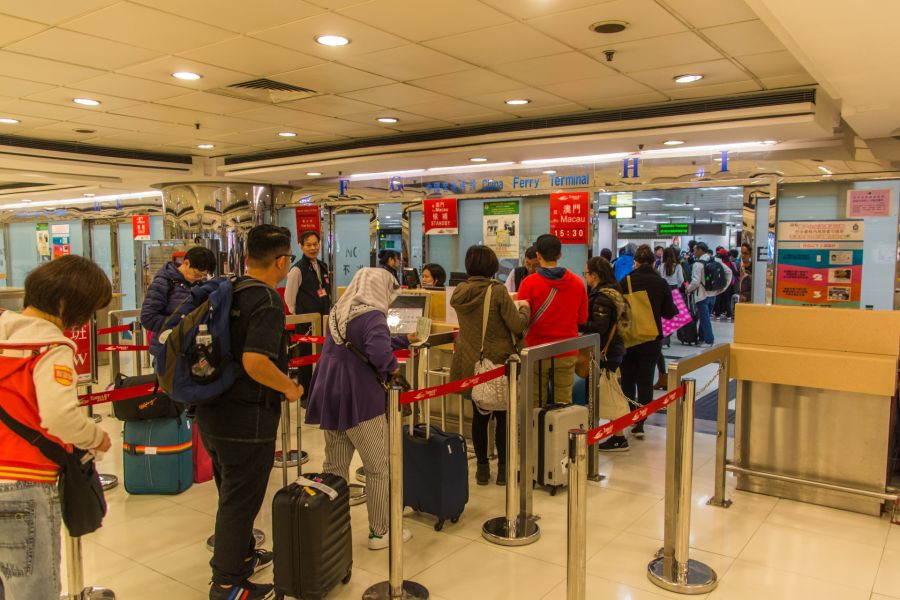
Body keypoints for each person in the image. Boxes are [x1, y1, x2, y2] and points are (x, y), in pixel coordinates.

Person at [196, 225, 302, 600]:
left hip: (211, 412)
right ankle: (226, 584)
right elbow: (255, 361)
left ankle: (241, 558)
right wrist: (289, 388)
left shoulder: (229, 290)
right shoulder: (267, 301)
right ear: (282, 260)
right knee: (240, 504)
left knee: (231, 494)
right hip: (248, 420)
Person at [0, 256, 113, 600]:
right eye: (89, 309)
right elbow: (59, 416)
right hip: (24, 482)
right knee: (32, 589)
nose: (88, 319)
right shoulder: (50, 345)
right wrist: (96, 438)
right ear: (66, 303)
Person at [305, 268, 414, 549]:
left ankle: (335, 529)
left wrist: (402, 340)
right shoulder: (373, 315)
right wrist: (392, 369)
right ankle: (381, 531)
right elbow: (377, 351)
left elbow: (365, 340)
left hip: (331, 393)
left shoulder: (340, 310)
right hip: (360, 397)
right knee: (379, 467)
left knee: (335, 465)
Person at [451, 246, 529, 485]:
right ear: (492, 266)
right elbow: (516, 325)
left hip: (470, 362)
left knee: (479, 416)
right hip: (497, 361)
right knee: (503, 415)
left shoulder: (459, 292)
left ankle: (482, 469)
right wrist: (524, 308)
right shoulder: (497, 291)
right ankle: (504, 470)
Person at [517, 234, 588, 406]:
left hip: (536, 352)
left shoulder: (528, 283)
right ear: (559, 255)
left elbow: (520, 320)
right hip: (566, 351)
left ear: (538, 255)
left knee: (535, 403)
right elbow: (583, 318)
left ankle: (536, 433)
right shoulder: (578, 283)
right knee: (563, 404)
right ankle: (561, 434)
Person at [619, 245, 677, 439]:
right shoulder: (660, 283)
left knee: (627, 379)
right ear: (653, 262)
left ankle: (629, 415)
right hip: (651, 338)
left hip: (629, 337)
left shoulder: (625, 281)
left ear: (635, 262)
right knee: (645, 380)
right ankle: (640, 423)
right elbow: (669, 312)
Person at [580, 256, 629, 451]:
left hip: (606, 352)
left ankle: (618, 437)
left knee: (609, 394)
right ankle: (611, 434)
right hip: (613, 349)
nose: (586, 278)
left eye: (587, 274)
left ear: (595, 275)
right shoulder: (612, 291)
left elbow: (599, 327)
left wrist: (578, 323)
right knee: (607, 392)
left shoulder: (602, 297)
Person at [284, 230, 331, 404]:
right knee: (305, 357)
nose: (313, 248)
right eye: (309, 245)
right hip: (306, 321)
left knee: (322, 356)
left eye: (315, 244)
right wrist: (299, 315)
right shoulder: (297, 269)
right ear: (301, 246)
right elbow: (289, 298)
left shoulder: (322, 265)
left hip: (323, 319)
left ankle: (320, 390)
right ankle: (305, 394)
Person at [140, 245, 216, 340]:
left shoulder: (199, 284)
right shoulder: (163, 282)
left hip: (189, 344)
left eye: (203, 276)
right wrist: (179, 325)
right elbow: (148, 317)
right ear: (186, 263)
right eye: (197, 274)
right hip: (167, 346)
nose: (199, 278)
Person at [686, 242, 732, 347]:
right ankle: (702, 337)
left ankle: (709, 340)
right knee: (704, 317)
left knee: (705, 318)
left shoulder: (697, 264)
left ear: (701, 250)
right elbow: (729, 272)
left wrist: (688, 290)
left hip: (701, 295)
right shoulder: (716, 260)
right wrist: (723, 288)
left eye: (695, 250)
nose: (694, 252)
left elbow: (695, 282)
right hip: (713, 294)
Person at [654, 246, 684, 390]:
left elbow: (659, 279)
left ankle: (664, 340)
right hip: (674, 290)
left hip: (663, 290)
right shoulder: (677, 266)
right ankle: (669, 338)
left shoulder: (661, 266)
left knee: (663, 319)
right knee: (672, 318)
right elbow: (681, 280)